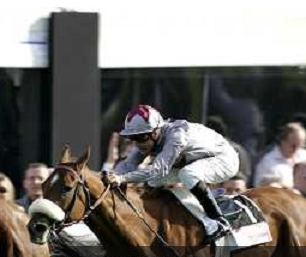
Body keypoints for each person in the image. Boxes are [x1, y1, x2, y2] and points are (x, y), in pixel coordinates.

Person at [103, 104, 240, 243]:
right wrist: (107, 178)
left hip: (225, 159)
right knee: (154, 182)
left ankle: (219, 222)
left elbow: (157, 169)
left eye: (141, 137)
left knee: (187, 174)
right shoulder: (148, 139)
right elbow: (127, 165)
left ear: (156, 131)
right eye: (133, 138)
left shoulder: (176, 136)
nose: (138, 144)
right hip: (194, 162)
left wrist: (122, 178)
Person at [253, 122, 306, 189]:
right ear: (283, 142)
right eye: (293, 146)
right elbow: (259, 188)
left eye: (300, 146)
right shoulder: (267, 162)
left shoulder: (304, 155)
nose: (297, 150)